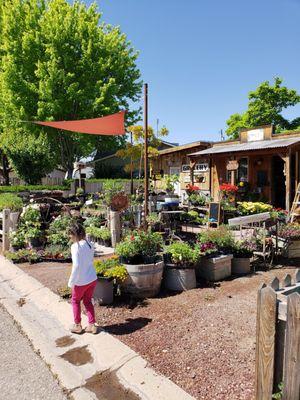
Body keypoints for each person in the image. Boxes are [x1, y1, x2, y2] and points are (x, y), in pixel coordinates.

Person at [68, 223, 98, 334]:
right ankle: (92, 325)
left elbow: (76, 266)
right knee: (87, 301)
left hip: (81, 281)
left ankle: (77, 325)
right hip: (92, 278)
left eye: (70, 234)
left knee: (75, 301)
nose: (69, 237)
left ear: (75, 234)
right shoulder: (89, 244)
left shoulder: (75, 247)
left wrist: (71, 282)